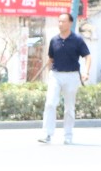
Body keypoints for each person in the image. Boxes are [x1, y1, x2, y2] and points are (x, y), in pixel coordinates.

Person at [39, 11, 92, 145]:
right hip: (56, 75)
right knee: (50, 103)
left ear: (70, 23)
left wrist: (86, 72)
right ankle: (47, 134)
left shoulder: (77, 40)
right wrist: (48, 73)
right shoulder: (54, 40)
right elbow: (51, 58)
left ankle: (68, 135)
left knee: (69, 107)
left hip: (72, 75)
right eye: (59, 21)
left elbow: (88, 57)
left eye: (63, 21)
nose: (60, 24)